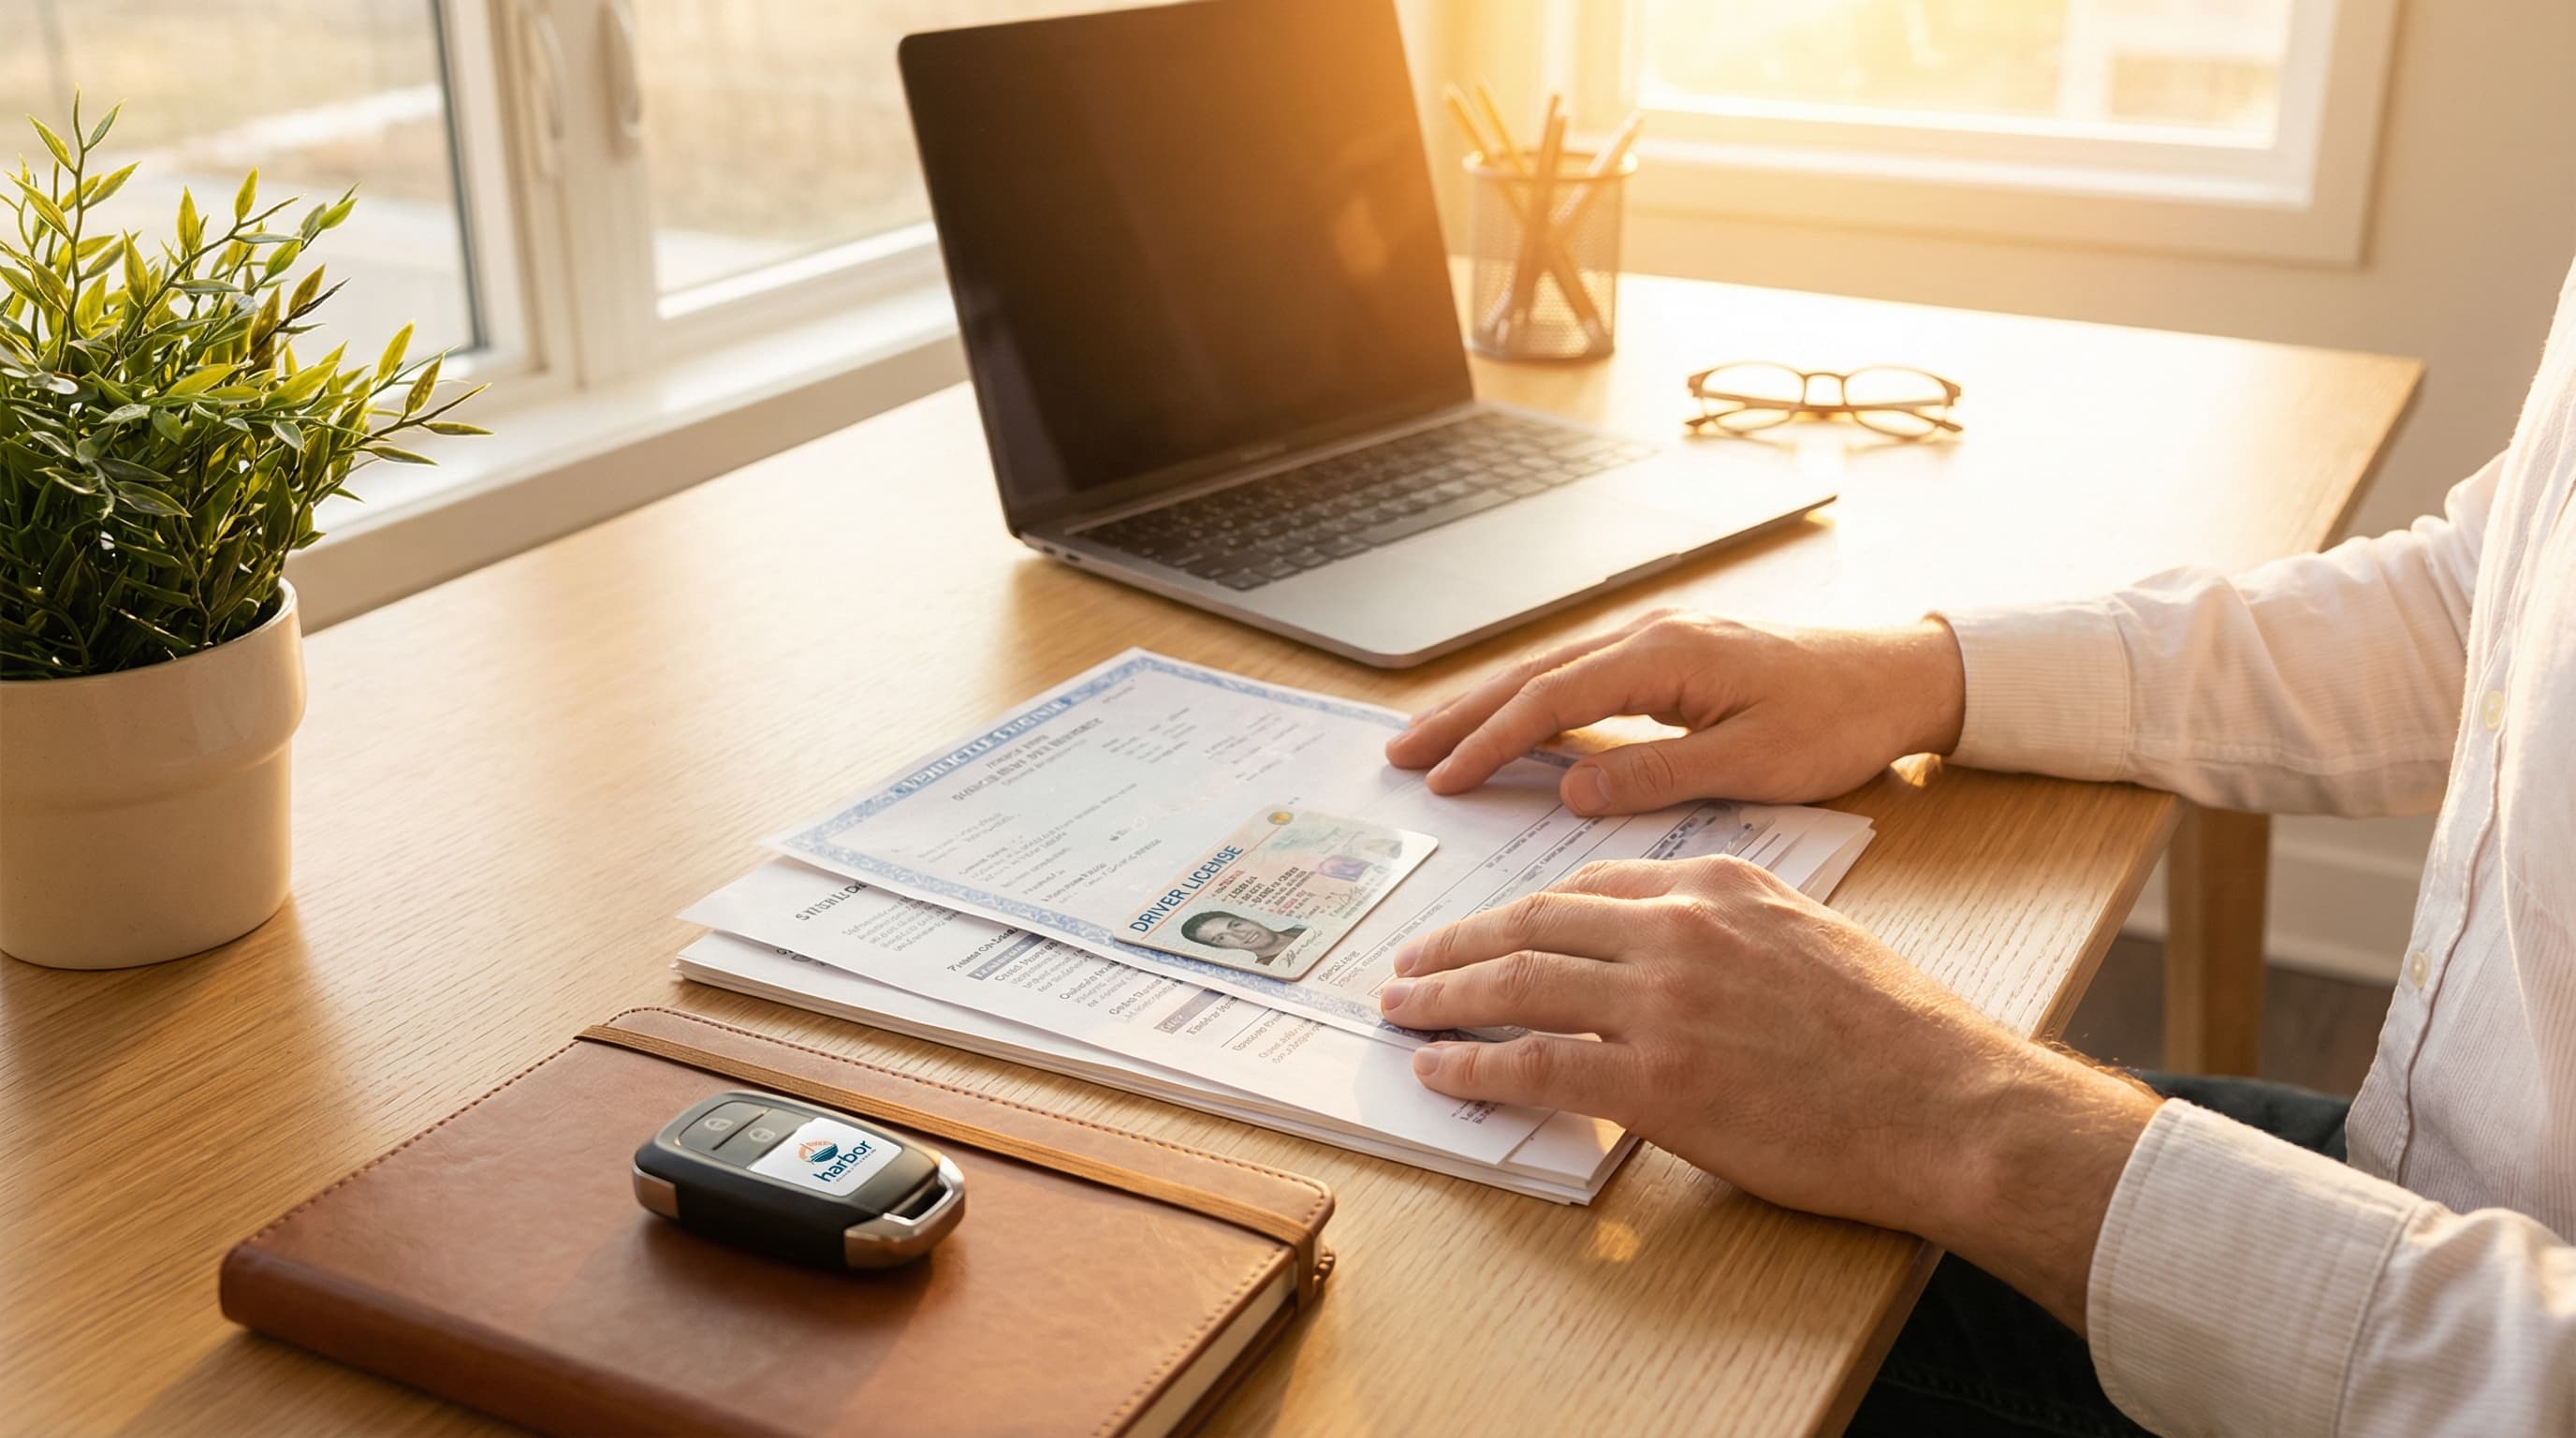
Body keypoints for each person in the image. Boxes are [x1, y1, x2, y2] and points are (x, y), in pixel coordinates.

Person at [1378, 253, 2576, 1436]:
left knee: (1559, 1307)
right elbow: (2483, 593)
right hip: (2430, 1201)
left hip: (2470, 1347)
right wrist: (1922, 677)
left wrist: (1960, 1113)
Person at [1178, 909, 1306, 963]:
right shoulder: (1270, 970)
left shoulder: (1305, 926)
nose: (1240, 935)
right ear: (1221, 948)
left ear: (1250, 920)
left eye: (1236, 925)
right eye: (1221, 938)